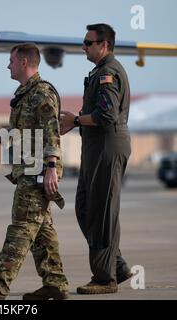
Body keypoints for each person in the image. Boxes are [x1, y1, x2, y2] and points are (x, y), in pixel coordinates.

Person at [0, 43, 69, 300]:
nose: (7, 65)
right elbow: (20, 134)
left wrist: (51, 168)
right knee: (42, 231)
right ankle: (54, 284)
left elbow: (52, 132)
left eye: (11, 60)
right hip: (30, 168)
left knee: (22, 225)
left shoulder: (42, 93)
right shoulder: (25, 93)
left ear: (23, 62)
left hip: (38, 169)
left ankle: (0, 282)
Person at [60, 23, 133, 294]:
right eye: (85, 42)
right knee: (85, 208)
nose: (84, 47)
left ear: (104, 45)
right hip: (96, 148)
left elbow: (106, 116)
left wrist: (76, 119)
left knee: (101, 213)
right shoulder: (99, 72)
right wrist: (75, 122)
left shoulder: (108, 74)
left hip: (107, 146)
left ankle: (105, 278)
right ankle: (118, 265)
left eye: (89, 43)